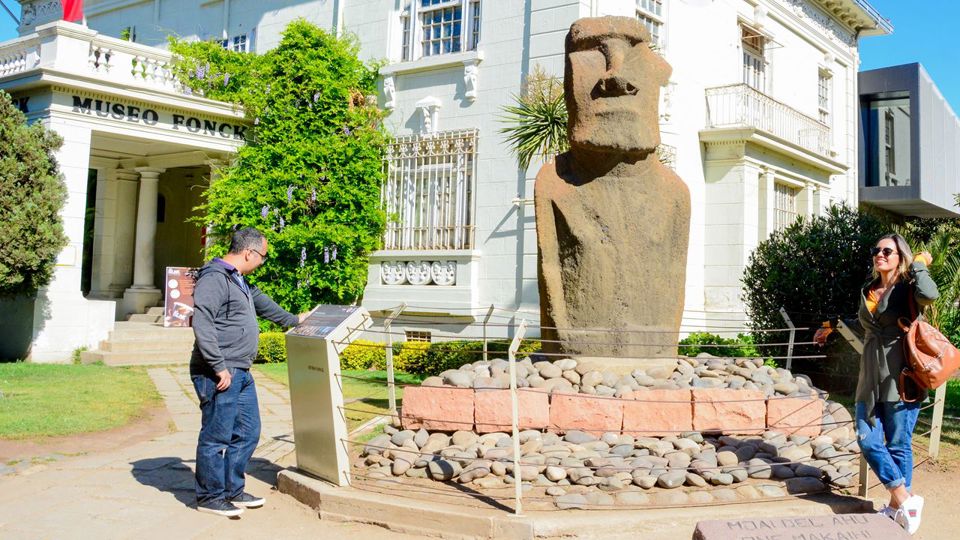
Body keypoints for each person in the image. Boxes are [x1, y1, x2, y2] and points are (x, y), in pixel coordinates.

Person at [817, 234, 936, 534]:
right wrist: (831, 325)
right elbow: (866, 324)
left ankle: (897, 509)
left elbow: (930, 294)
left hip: (901, 379)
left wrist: (919, 264)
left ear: (900, 257)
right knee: (867, 438)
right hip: (869, 378)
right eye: (877, 250)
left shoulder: (909, 288)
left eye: (887, 251)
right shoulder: (869, 290)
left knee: (898, 444)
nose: (880, 254)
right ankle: (905, 499)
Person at [190, 227, 305, 517]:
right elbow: (203, 323)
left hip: (240, 370)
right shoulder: (215, 278)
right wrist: (218, 366)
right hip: (219, 371)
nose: (263, 262)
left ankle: (232, 489)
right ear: (248, 253)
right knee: (216, 436)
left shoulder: (238, 279)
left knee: (248, 431)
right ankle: (210, 497)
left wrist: (295, 320)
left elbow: (264, 306)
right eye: (262, 256)